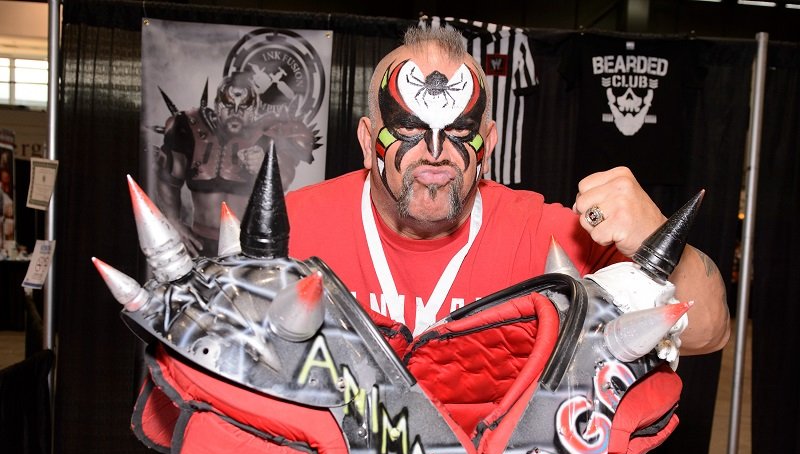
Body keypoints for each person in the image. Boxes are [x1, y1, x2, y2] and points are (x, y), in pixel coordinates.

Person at [285, 25, 729, 352]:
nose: (435, 152)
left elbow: (711, 331)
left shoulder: (546, 236)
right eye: (409, 128)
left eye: (459, 131)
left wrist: (657, 237)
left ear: (489, 145)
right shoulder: (296, 228)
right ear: (367, 142)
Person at [157, 71, 316, 256]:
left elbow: (286, 178)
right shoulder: (190, 128)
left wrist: (267, 167)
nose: (235, 112)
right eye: (229, 105)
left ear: (255, 107)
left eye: (244, 107)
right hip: (201, 244)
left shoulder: (270, 135)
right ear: (217, 105)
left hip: (250, 248)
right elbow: (167, 178)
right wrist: (173, 220)